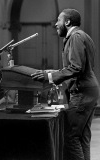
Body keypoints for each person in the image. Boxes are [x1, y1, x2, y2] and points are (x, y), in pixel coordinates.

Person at [31, 8, 99, 160]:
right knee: (82, 137)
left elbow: (76, 68)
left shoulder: (75, 37)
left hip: (82, 92)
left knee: (71, 137)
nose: (55, 24)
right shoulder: (82, 36)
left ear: (67, 22)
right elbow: (78, 67)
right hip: (89, 90)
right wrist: (52, 71)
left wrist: (50, 76)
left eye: (58, 20)